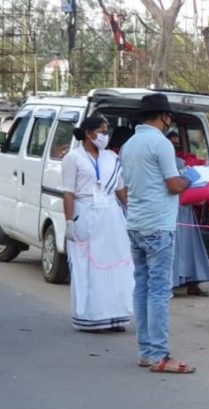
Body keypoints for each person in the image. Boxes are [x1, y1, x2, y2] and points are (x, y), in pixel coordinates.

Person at [121, 93, 201, 374]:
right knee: (158, 290)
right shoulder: (161, 144)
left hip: (136, 223)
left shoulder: (130, 144)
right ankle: (159, 354)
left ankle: (146, 351)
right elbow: (174, 185)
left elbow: (122, 189)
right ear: (164, 117)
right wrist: (192, 176)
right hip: (158, 225)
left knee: (141, 287)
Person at [62, 115, 134, 333]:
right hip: (86, 214)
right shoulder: (73, 158)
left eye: (106, 131)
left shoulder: (112, 157)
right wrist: (68, 221)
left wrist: (133, 212)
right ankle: (92, 316)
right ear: (88, 133)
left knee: (116, 266)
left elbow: (121, 190)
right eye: (102, 131)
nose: (105, 135)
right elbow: (69, 193)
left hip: (111, 217)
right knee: (89, 266)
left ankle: (116, 316)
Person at [171, 156, 209, 297]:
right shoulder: (161, 162)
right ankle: (171, 283)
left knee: (191, 246)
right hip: (170, 211)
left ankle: (193, 283)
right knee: (174, 248)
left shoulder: (181, 163)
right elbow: (175, 186)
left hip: (185, 211)